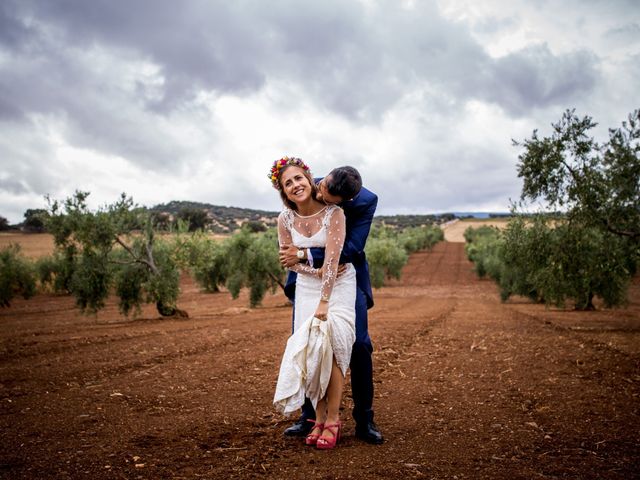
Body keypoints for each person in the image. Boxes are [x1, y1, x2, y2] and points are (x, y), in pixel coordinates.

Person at [279, 164, 384, 445]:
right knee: (306, 342)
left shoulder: (364, 203)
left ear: (344, 201)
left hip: (346, 278)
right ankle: (310, 417)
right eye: (321, 186)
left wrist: (304, 253)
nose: (320, 193)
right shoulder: (303, 184)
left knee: (359, 344)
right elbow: (289, 223)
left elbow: (351, 248)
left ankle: (364, 418)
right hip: (307, 281)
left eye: (327, 195)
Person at [272, 156, 355, 449]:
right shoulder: (284, 220)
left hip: (339, 285)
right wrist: (313, 271)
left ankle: (333, 420)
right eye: (288, 183)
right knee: (311, 352)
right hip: (307, 285)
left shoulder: (335, 214)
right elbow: (289, 262)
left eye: (298, 178)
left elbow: (333, 261)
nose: (295, 185)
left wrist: (324, 300)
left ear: (310, 179)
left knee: (330, 346)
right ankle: (317, 419)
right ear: (283, 191)